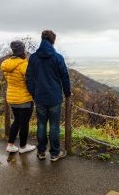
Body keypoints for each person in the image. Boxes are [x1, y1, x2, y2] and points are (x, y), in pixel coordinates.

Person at [26, 30, 71, 161]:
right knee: (54, 126)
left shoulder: (34, 57)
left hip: (40, 97)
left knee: (41, 125)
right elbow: (65, 77)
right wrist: (67, 93)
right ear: (53, 41)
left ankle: (41, 152)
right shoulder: (58, 58)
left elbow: (28, 78)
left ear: (42, 39)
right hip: (55, 97)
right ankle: (55, 153)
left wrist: (34, 92)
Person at [1, 40, 36, 154]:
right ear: (22, 50)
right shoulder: (24, 64)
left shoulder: (6, 64)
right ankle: (23, 146)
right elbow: (30, 81)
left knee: (17, 121)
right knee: (24, 123)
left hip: (12, 97)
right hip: (24, 98)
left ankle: (10, 145)